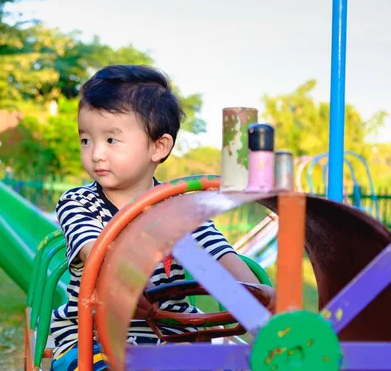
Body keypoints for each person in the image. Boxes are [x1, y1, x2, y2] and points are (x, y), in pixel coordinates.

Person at [49, 65, 274, 371]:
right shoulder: (79, 203)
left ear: (158, 146)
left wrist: (260, 301)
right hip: (91, 339)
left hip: (172, 338)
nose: (96, 153)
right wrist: (123, 282)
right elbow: (95, 253)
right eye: (86, 140)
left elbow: (220, 257)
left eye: (111, 140)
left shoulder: (182, 210)